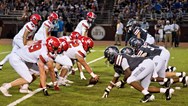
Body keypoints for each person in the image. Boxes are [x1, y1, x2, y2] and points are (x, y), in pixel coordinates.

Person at [102, 46, 174, 103]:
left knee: (130, 80)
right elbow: (115, 79)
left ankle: (147, 95)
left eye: (108, 57)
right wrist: (107, 90)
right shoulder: (117, 64)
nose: (108, 60)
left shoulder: (119, 58)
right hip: (148, 64)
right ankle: (166, 91)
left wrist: (122, 82)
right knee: (144, 88)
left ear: (111, 55)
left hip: (146, 64)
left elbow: (128, 73)